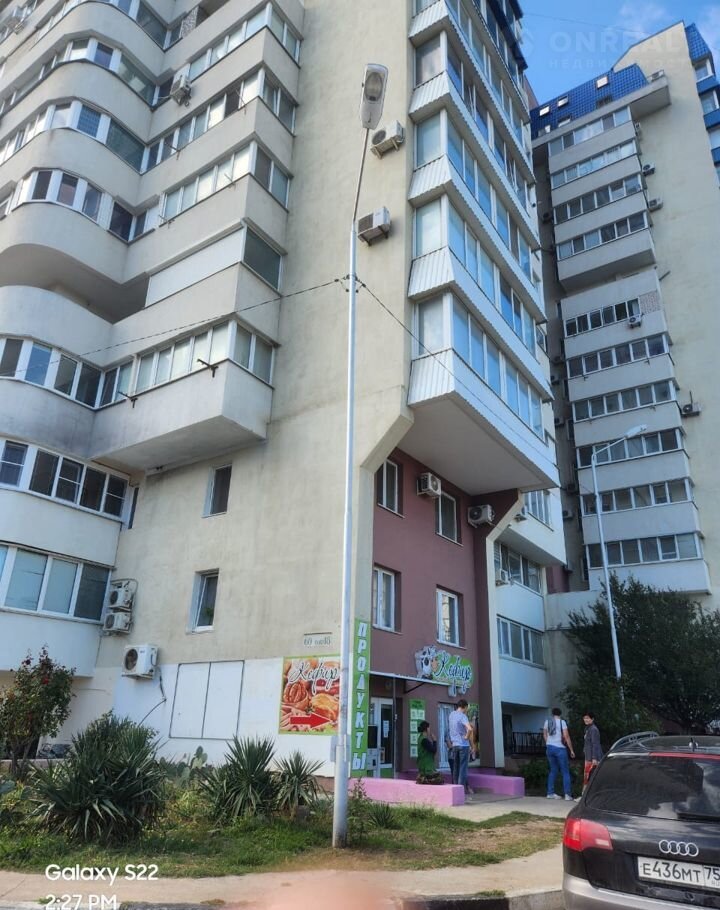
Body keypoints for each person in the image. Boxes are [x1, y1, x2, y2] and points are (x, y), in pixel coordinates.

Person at [543, 706, 575, 800]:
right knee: (565, 771)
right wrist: (571, 750)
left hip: (549, 748)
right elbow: (566, 736)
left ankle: (550, 793)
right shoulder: (562, 722)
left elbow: (544, 734)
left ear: (552, 714)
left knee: (553, 770)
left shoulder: (547, 721)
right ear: (560, 714)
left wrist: (548, 743)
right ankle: (567, 794)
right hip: (560, 748)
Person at [448, 698, 473, 793]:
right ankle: (460, 790)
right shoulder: (463, 716)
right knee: (463, 768)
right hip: (463, 745)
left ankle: (455, 790)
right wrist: (466, 736)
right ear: (465, 707)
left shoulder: (451, 714)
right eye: (467, 708)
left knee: (456, 768)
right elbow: (470, 729)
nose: (467, 710)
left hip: (454, 745)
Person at [582, 711, 603, 789]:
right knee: (587, 775)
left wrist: (594, 758)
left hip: (592, 757)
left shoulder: (593, 729)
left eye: (587, 718)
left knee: (590, 776)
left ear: (592, 719)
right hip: (588, 755)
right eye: (584, 718)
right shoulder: (587, 728)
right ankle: (585, 793)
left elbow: (595, 744)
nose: (585, 720)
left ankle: (586, 793)